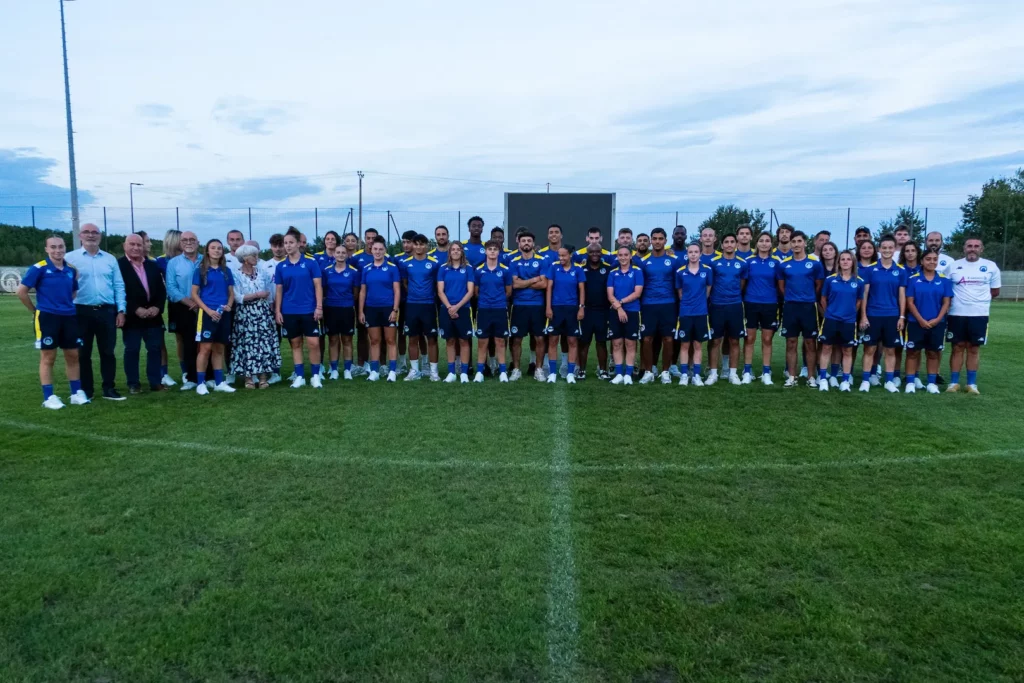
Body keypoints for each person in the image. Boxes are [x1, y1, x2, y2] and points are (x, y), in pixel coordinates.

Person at [17, 236, 89, 409]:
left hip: (69, 317)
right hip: (47, 317)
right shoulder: (39, 268)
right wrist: (36, 311)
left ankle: (76, 393)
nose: (58, 250)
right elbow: (21, 291)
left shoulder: (71, 270)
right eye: (53, 247)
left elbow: (73, 292)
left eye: (61, 247)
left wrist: (64, 305)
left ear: (65, 248)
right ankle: (49, 397)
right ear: (47, 249)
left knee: (73, 355)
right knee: (48, 356)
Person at [65, 222, 126, 401]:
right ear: (79, 236)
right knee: (83, 353)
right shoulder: (70, 258)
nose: (91, 235)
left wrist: (121, 310)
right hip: (80, 311)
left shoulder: (110, 259)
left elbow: (118, 285)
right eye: (86, 232)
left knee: (107, 352)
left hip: (106, 311)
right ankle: (87, 390)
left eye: (94, 232)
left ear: (100, 236)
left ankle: (109, 388)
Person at [946, 237, 1000, 394]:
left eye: (976, 246)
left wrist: (978, 301)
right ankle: (953, 383)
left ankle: (971, 384)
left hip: (979, 314)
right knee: (957, 347)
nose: (972, 248)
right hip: (956, 313)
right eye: (969, 246)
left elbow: (995, 291)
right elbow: (946, 289)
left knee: (973, 348)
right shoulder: (954, 266)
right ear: (964, 248)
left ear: (981, 249)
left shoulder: (990, 266)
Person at [118, 234, 167, 395]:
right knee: (132, 349)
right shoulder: (118, 265)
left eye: (139, 245)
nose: (136, 248)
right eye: (132, 244)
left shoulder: (153, 265)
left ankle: (155, 381)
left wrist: (158, 307)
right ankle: (133, 383)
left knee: (154, 348)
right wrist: (134, 309)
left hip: (153, 316)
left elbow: (161, 290)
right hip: (132, 317)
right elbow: (118, 291)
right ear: (124, 245)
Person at [275, 231, 324, 388]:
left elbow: (318, 286)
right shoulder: (281, 266)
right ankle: (300, 376)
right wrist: (278, 311)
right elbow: (279, 290)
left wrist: (318, 307)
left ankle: (316, 375)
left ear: (298, 244)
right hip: (289, 311)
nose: (287, 246)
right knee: (295, 343)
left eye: (290, 242)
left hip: (309, 310)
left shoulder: (311, 263)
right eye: (285, 243)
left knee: (313, 343)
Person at [858, 235, 907, 393]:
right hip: (873, 314)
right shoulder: (870, 269)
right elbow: (865, 294)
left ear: (894, 250)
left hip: (892, 316)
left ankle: (889, 381)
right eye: (884, 248)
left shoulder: (900, 271)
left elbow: (902, 296)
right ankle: (865, 380)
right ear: (879, 249)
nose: (887, 250)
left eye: (890, 248)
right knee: (869, 349)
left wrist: (901, 316)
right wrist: (864, 315)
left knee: (890, 350)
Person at [775, 231, 824, 387]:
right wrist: (792, 297)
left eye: (799, 241)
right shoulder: (784, 265)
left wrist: (807, 297)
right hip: (790, 307)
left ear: (805, 243)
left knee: (810, 343)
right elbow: (781, 287)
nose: (796, 244)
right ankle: (792, 377)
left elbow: (819, 285)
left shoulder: (815, 264)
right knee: (791, 342)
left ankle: (811, 377)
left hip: (809, 307)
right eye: (793, 241)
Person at [230, 244, 280, 389]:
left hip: (263, 312)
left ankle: (263, 377)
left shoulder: (262, 272)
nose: (257, 258)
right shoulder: (236, 274)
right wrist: (257, 295)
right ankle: (248, 378)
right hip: (245, 313)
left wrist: (270, 305)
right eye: (254, 256)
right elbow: (237, 297)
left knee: (263, 344)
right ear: (245, 259)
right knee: (246, 344)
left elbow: (270, 290)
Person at [191, 238, 236, 396]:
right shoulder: (201, 270)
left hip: (223, 314)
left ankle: (219, 382)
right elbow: (194, 294)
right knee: (205, 348)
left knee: (219, 348)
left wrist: (229, 306)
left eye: (219, 248)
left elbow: (231, 293)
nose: (217, 250)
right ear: (207, 250)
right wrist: (208, 311)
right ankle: (201, 383)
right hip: (207, 314)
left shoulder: (226, 271)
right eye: (213, 248)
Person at [905, 251, 953, 394]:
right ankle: (910, 382)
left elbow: (946, 303)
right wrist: (920, 319)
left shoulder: (944, 280)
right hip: (916, 322)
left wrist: (937, 319)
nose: (931, 262)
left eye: (934, 259)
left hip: (937, 323)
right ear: (922, 261)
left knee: (933, 353)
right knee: (913, 352)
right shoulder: (913, 279)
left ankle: (932, 383)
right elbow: (910, 302)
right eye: (928, 259)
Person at [638, 228, 681, 384]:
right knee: (647, 338)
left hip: (669, 304)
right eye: (654, 238)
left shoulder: (674, 261)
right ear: (651, 241)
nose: (657, 241)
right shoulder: (644, 262)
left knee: (668, 339)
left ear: (665, 241)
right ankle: (648, 372)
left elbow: (678, 285)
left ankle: (665, 372)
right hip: (648, 305)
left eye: (660, 238)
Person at [817, 250, 863, 392]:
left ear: (853, 262)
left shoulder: (858, 282)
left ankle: (845, 381)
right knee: (826, 348)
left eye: (848, 259)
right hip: (831, 319)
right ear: (838, 262)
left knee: (847, 350)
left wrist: (850, 312)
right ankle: (823, 378)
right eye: (842, 259)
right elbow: (823, 299)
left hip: (849, 321)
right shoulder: (830, 280)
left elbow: (859, 301)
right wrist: (829, 312)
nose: (845, 262)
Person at [706, 234, 749, 385]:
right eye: (726, 242)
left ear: (736, 244)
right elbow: (710, 285)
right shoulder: (713, 263)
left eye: (732, 242)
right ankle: (713, 374)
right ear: (722, 245)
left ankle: (733, 373)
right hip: (717, 305)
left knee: (734, 340)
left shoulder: (742, 263)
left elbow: (742, 284)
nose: (729, 244)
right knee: (715, 340)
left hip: (735, 305)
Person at [399, 234, 440, 381]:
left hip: (428, 305)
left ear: (427, 246)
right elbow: (405, 283)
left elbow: (437, 284)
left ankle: (434, 372)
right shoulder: (406, 263)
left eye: (422, 244)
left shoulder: (434, 263)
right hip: (411, 305)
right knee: (412, 338)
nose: (419, 247)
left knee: (432, 339)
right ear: (413, 246)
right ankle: (414, 371)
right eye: (416, 244)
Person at [358, 236, 400, 382]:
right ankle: (374, 371)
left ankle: (392, 372)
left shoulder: (392, 268)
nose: (377, 251)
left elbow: (397, 290)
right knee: (374, 340)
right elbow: (363, 291)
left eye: (380, 249)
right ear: (371, 249)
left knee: (390, 340)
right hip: (371, 308)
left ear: (385, 251)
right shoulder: (366, 269)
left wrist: (395, 310)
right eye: (375, 249)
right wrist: (361, 311)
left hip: (388, 308)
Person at [743, 231, 782, 385]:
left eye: (767, 241)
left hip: (770, 304)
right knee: (750, 338)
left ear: (771, 244)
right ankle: (747, 371)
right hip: (751, 303)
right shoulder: (749, 261)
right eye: (761, 240)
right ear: (756, 243)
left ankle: (766, 372)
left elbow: (780, 285)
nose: (764, 243)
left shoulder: (776, 262)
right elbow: (743, 283)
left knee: (767, 339)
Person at [165, 231, 203, 390]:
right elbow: (171, 287)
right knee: (188, 343)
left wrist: (201, 303)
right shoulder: (173, 263)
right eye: (185, 240)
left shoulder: (205, 260)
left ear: (198, 242)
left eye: (192, 239)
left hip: (205, 307)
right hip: (184, 307)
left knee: (205, 343)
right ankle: (191, 378)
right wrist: (189, 302)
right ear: (180, 243)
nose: (189, 242)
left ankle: (207, 377)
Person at [509, 230, 548, 380]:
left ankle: (538, 369)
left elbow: (544, 284)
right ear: (518, 243)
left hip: (538, 305)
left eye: (529, 241)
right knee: (517, 339)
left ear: (533, 243)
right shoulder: (514, 262)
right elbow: (515, 285)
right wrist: (533, 280)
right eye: (523, 240)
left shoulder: (542, 261)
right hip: (519, 305)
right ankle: (516, 369)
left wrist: (523, 282)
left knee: (539, 338)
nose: (526, 243)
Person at [544, 246, 585, 384]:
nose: (561, 258)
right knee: (553, 340)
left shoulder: (578, 269)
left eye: (564, 256)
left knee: (572, 341)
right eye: (559, 256)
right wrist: (548, 307)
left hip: (572, 309)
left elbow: (581, 290)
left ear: (570, 255)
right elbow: (549, 288)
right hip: (556, 309)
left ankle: (570, 373)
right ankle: (552, 373)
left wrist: (581, 308)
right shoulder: (554, 268)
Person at [472, 240, 513, 382]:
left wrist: (497, 300)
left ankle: (502, 371)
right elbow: (476, 292)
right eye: (490, 249)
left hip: (500, 309)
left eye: (495, 249)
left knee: (500, 341)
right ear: (485, 251)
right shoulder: (478, 271)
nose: (492, 251)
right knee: (483, 341)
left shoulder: (505, 270)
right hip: (483, 310)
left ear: (499, 252)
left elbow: (508, 291)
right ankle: (480, 372)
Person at [674, 243, 713, 386]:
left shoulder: (707, 271)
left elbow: (708, 290)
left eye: (696, 252)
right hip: (685, 313)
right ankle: (684, 375)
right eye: (691, 252)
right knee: (685, 345)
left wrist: (699, 302)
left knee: (697, 345)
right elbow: (680, 293)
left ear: (700, 253)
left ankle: (696, 375)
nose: (693, 254)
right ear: (687, 254)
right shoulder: (680, 272)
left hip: (701, 313)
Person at [437, 241, 475, 383]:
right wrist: (449, 307)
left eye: (458, 249)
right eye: (453, 249)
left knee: (464, 341)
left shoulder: (469, 269)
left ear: (462, 252)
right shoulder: (443, 268)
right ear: (449, 252)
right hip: (446, 309)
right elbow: (440, 291)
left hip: (463, 309)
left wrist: (457, 307)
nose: (455, 252)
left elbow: (470, 291)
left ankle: (464, 373)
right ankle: (451, 373)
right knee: (450, 341)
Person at [321, 242, 360, 381]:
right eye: (338, 252)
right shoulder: (326, 271)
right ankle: (334, 370)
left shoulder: (354, 272)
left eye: (343, 253)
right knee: (333, 339)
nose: (341, 255)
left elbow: (355, 293)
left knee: (347, 339)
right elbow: (324, 290)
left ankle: (348, 370)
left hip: (347, 309)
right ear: (334, 254)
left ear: (347, 255)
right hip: (330, 308)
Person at [607, 245, 644, 385]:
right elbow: (610, 294)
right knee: (616, 343)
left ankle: (628, 374)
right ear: (617, 257)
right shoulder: (612, 273)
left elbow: (637, 293)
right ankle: (618, 374)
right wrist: (618, 308)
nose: (623, 257)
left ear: (630, 256)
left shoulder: (637, 272)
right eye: (620, 255)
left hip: (633, 311)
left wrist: (620, 303)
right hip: (615, 311)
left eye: (625, 255)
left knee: (630, 343)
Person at [578, 243, 611, 380]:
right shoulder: (581, 269)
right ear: (587, 253)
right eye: (592, 252)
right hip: (586, 311)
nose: (595, 254)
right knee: (584, 342)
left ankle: (603, 370)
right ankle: (581, 370)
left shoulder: (608, 270)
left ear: (601, 253)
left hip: (603, 311)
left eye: (597, 252)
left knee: (601, 342)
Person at [157, 229, 182, 387]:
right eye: (181, 240)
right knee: (178, 338)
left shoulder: (190, 259)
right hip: (174, 304)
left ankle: (189, 372)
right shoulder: (160, 261)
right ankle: (164, 373)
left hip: (193, 303)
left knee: (190, 339)